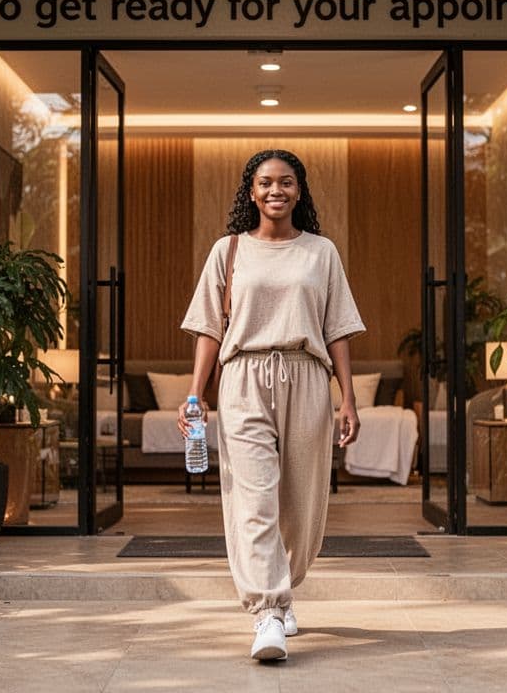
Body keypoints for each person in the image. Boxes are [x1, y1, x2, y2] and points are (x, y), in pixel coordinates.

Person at [178, 148, 365, 662]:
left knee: (302, 507)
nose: (275, 191)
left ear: (300, 191)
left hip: (307, 376)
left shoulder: (321, 252)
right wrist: (196, 393)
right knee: (254, 498)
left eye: (286, 182)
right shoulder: (229, 250)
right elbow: (209, 328)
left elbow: (339, 330)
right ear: (251, 191)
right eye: (265, 183)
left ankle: (284, 589)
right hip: (242, 378)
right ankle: (267, 611)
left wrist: (347, 397)